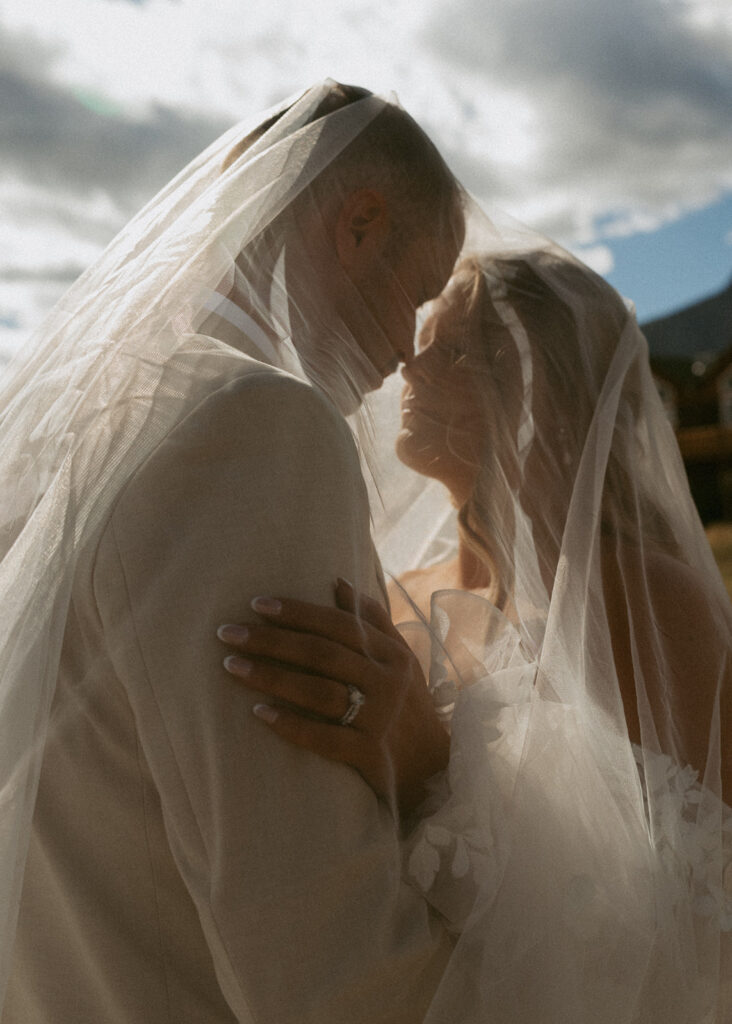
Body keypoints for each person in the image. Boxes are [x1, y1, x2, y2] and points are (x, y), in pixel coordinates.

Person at [0, 81, 465, 1023]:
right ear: (360, 223)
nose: (408, 351)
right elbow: (320, 952)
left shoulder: (83, 426)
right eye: (417, 295)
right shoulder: (256, 427)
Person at [219, 242, 732, 1021]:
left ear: (545, 394)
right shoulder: (394, 595)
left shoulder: (647, 603)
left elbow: (700, 919)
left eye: (451, 351)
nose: (407, 373)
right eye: (420, 347)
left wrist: (431, 764)